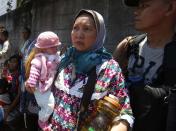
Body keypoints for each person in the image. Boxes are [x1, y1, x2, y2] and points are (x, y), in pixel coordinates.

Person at [26, 9, 134, 131]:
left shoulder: (109, 68)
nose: (79, 34)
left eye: (86, 29)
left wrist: (119, 127)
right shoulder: (65, 59)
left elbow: (125, 111)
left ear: (99, 34)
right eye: (75, 28)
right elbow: (46, 83)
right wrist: (33, 84)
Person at [113, 0, 176, 131]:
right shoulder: (128, 45)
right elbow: (106, 86)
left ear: (170, 7)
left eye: (144, 6)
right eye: (137, 6)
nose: (136, 12)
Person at [25, 31, 61, 131]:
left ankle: (45, 119)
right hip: (40, 87)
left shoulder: (55, 56)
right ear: (43, 48)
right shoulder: (39, 59)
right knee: (49, 104)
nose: (56, 48)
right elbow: (34, 72)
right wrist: (31, 82)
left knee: (50, 105)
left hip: (48, 86)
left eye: (56, 46)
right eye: (53, 47)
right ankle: (42, 121)